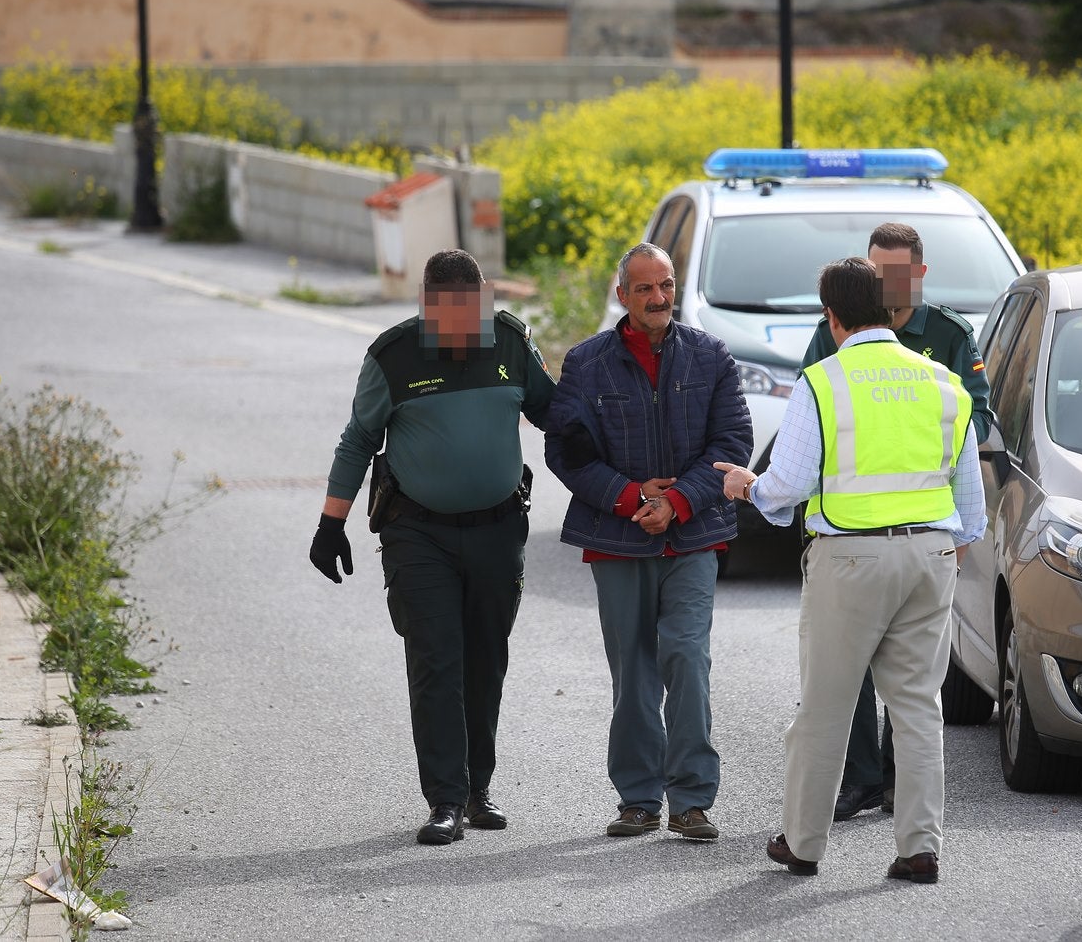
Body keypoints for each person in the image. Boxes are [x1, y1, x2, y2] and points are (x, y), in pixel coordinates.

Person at [714, 255, 986, 884]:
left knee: (827, 706)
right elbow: (969, 501)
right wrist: (945, 549)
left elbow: (790, 483)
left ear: (831, 316)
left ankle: (803, 845)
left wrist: (745, 485)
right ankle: (920, 848)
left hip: (852, 558)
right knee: (918, 706)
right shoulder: (943, 383)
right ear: (889, 309)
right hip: (932, 553)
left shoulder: (823, 382)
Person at [308, 249, 554, 846]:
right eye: (444, 312)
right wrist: (331, 522)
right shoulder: (392, 356)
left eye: (468, 311)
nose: (458, 325)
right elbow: (358, 439)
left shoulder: (511, 344)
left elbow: (557, 414)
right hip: (419, 531)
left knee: (485, 657)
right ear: (427, 305)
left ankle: (478, 791)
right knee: (436, 658)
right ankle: (444, 799)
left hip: (498, 529)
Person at [544, 242, 753, 842]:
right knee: (631, 668)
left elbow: (733, 440)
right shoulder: (586, 363)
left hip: (693, 538)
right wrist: (632, 496)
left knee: (686, 656)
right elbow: (566, 450)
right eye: (645, 289)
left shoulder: (711, 356)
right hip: (617, 538)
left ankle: (691, 799)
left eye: (665, 286)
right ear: (623, 296)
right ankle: (638, 798)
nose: (659, 298)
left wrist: (678, 502)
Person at [796, 221, 993, 822]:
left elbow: (975, 417)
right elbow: (809, 413)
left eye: (897, 273)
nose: (884, 283)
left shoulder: (950, 336)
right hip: (848, 527)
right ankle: (859, 780)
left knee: (911, 683)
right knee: (847, 669)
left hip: (923, 528)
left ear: (921, 274)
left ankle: (896, 785)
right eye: (876, 272)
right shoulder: (832, 333)